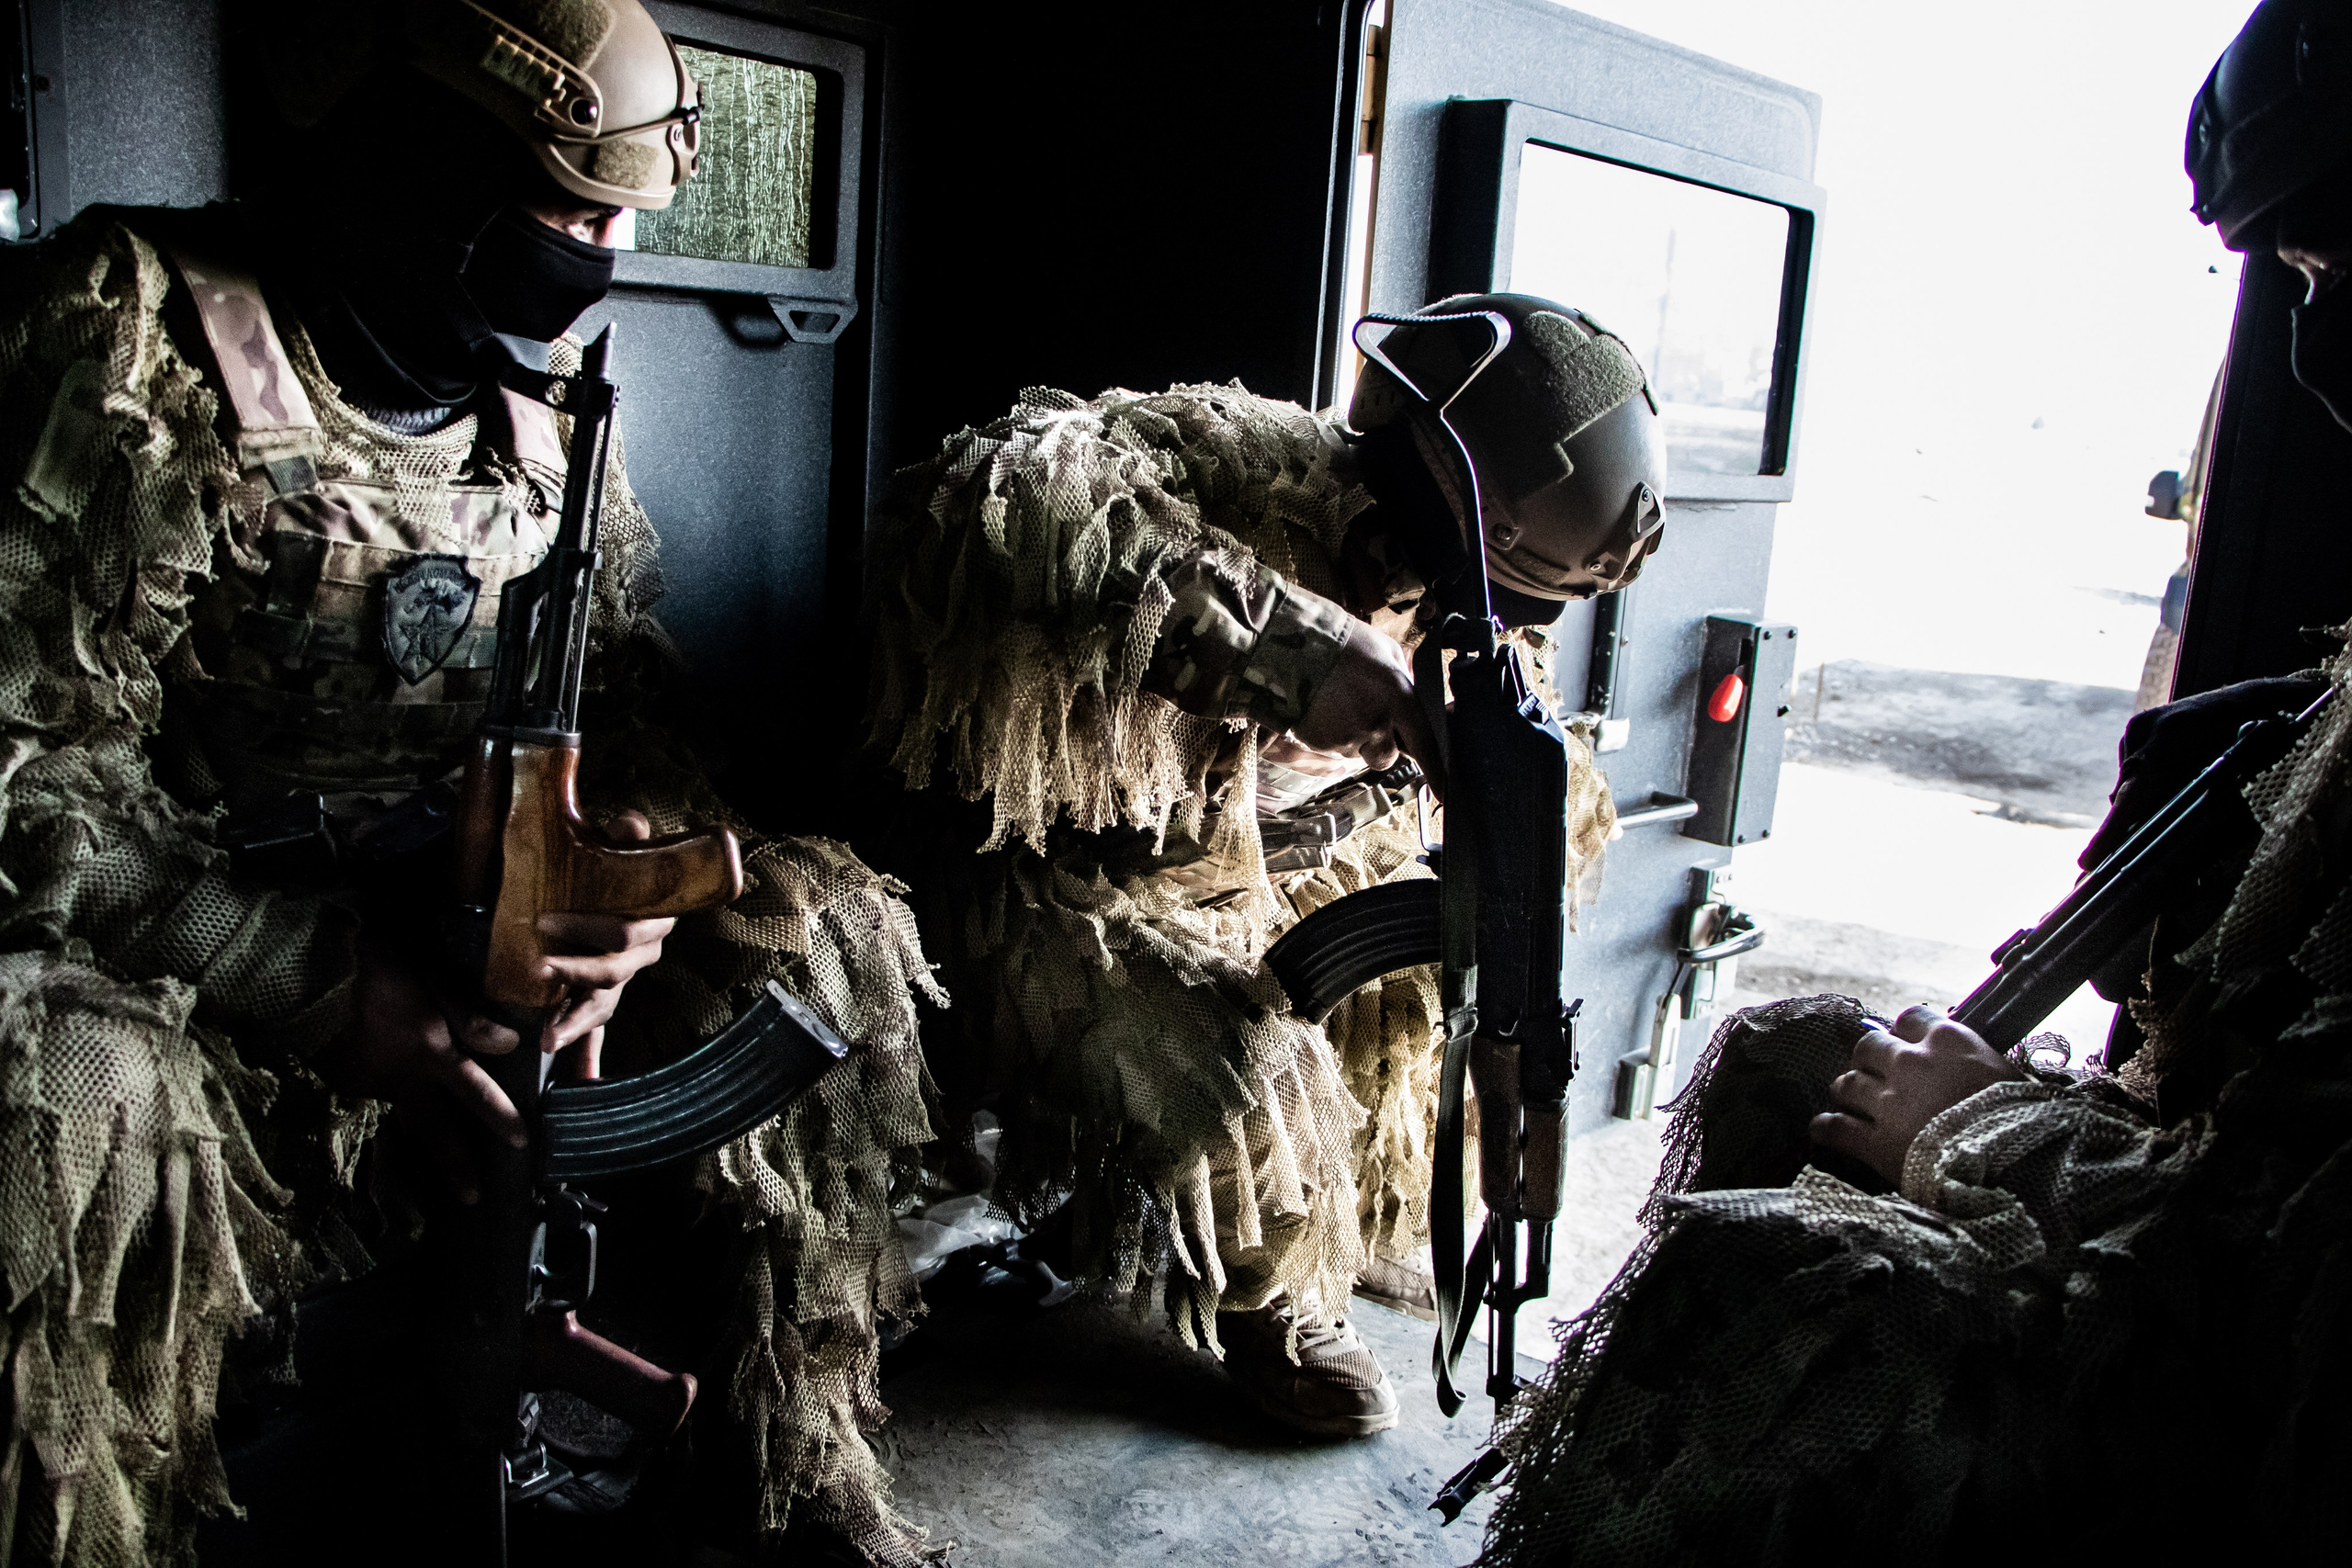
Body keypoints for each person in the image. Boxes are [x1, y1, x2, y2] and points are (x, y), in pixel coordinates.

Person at [0, 3, 939, 1562]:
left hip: (472, 934)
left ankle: (789, 1464)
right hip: (192, 969)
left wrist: (617, 883)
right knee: (70, 1094)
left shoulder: (543, 409)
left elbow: (632, 706)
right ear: (416, 168)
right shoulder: (133, 337)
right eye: (576, 209)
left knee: (821, 932)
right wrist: (310, 977)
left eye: (623, 212)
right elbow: (28, 774)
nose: (608, 251)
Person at [1481, 2, 2352, 1560]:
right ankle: (1607, 1460)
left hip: (2231, 1387)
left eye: (2330, 274)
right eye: (2300, 281)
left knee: (1788, 1287)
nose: (2319, 334)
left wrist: (1988, 1129)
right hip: (2183, 1226)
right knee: (1789, 1057)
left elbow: (2288, 1280)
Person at [866, 294, 1668, 1436]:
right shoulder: (1230, 462)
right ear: (1449, 495)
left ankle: (1343, 1229)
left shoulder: (1460, 591)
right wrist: (1298, 652)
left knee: (1444, 953)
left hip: (1259, 871)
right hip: (1055, 882)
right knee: (1253, 1072)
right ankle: (1268, 1298)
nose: (1491, 619)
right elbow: (1004, 501)